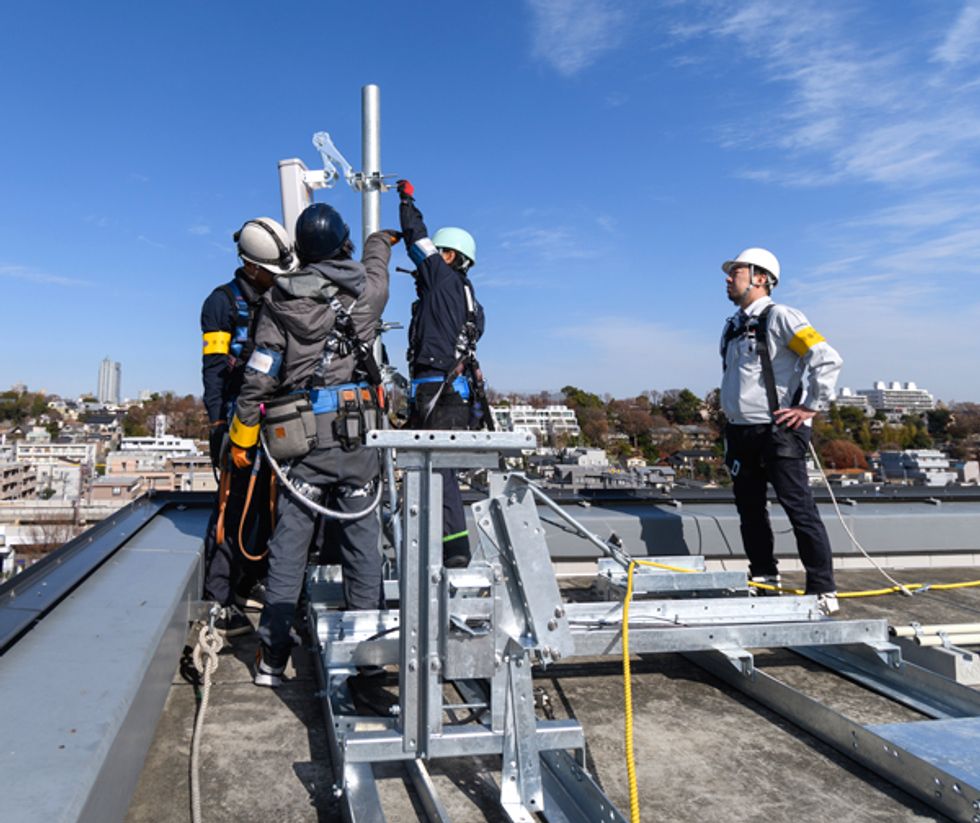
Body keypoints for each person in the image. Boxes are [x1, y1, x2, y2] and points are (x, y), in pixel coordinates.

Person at [228, 203, 394, 686]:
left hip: (300, 440)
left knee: (291, 544)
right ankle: (368, 666)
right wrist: (380, 239)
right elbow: (377, 264)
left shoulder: (279, 303)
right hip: (358, 438)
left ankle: (272, 658)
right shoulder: (367, 291)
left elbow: (259, 376)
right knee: (363, 546)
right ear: (344, 243)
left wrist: (241, 437)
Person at [719, 247, 843, 614]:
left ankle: (822, 589)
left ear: (761, 278)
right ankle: (764, 579)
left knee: (798, 509)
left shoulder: (781, 317)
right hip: (741, 434)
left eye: (736, 272)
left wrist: (810, 407)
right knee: (750, 512)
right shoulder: (733, 326)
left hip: (778, 432)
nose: (728, 279)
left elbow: (826, 358)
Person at [200, 217, 296, 635]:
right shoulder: (223, 303)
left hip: (276, 419)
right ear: (252, 265)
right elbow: (216, 369)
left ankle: (250, 579)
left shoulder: (279, 296)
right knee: (233, 508)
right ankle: (220, 598)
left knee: (270, 509)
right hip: (239, 420)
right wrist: (220, 423)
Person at [397, 178, 490, 569]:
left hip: (437, 388)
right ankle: (444, 545)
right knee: (438, 467)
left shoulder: (442, 278)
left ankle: (454, 550)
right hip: (457, 392)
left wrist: (406, 200)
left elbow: (416, 239)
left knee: (439, 471)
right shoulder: (471, 301)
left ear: (449, 257)